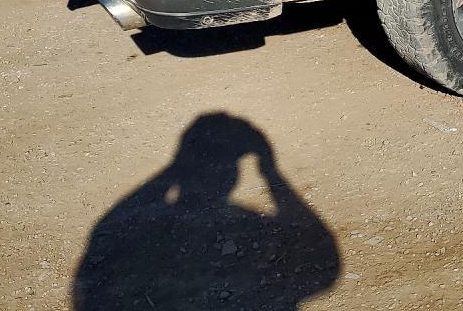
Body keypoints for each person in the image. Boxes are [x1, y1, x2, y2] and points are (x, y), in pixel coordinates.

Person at [72, 113, 339, 310]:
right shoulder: (249, 223)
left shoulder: (119, 236)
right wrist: (270, 173)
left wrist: (175, 169)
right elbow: (325, 261)